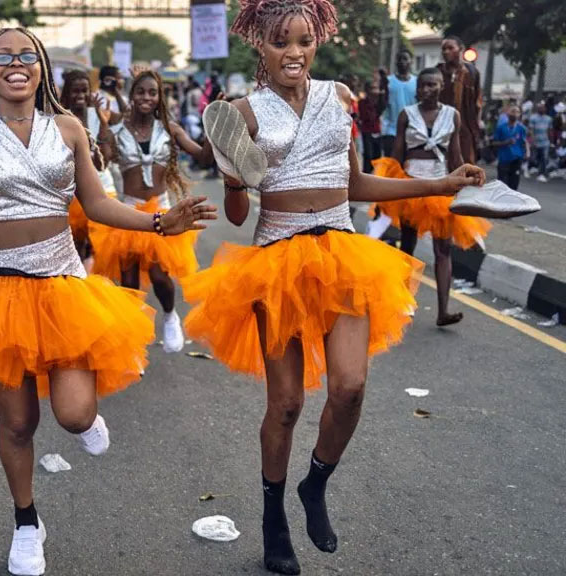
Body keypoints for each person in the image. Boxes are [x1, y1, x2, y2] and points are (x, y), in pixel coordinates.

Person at [0, 27, 214, 575]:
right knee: (17, 426)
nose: (16, 64)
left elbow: (98, 204)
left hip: (61, 288)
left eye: (26, 56)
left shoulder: (69, 129)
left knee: (75, 412)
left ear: (41, 69)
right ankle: (27, 524)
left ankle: (86, 425)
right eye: (3, 57)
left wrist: (160, 222)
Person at [186, 1, 485, 573]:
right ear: (262, 49)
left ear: (316, 42)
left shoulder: (338, 98)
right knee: (288, 403)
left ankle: (314, 483)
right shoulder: (241, 113)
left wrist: (441, 183)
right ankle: (274, 515)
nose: (293, 53)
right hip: (277, 262)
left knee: (350, 389)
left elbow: (355, 184)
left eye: (303, 40)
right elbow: (235, 210)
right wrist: (231, 176)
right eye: (280, 43)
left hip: (342, 253)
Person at [89, 69, 214, 353]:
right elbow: (101, 164)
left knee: (159, 276)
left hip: (163, 211)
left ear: (159, 97)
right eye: (141, 92)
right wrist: (103, 126)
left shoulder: (170, 130)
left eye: (152, 93)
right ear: (132, 96)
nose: (146, 97)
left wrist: (213, 124)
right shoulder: (118, 130)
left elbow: (203, 157)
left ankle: (170, 315)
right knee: (130, 283)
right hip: (130, 212)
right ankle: (132, 343)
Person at [373, 67, 490, 326]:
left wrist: (465, 181)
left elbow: (455, 156)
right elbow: (397, 156)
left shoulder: (452, 115)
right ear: (418, 89)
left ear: (441, 87)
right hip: (412, 187)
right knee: (408, 244)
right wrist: (387, 193)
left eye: (432, 85)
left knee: (443, 249)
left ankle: (443, 311)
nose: (427, 90)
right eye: (423, 86)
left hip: (441, 188)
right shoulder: (407, 114)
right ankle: (402, 303)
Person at [59, 69, 117, 262]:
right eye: (75, 91)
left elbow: (103, 163)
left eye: (85, 90)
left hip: (101, 190)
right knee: (75, 247)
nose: (81, 96)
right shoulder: (58, 119)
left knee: (95, 247)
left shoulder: (97, 116)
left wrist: (102, 124)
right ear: (66, 93)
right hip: (70, 193)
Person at [437, 36, 483, 165]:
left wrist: (476, 127)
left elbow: (478, 102)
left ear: (461, 49)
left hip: (465, 127)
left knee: (466, 164)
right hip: (441, 127)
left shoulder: (472, 72)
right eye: (444, 49)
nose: (446, 52)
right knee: (441, 165)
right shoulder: (438, 72)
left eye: (450, 48)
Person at [381, 50, 417, 157]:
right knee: (392, 165)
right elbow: (382, 105)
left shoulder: (417, 81)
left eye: (405, 59)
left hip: (412, 130)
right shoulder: (388, 81)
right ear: (396, 62)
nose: (402, 62)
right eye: (399, 59)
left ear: (411, 62)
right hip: (391, 131)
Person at [492, 104, 528, 190]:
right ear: (507, 113)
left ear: (519, 114)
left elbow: (524, 142)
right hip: (504, 159)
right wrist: (505, 142)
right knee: (502, 185)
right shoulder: (501, 127)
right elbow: (494, 143)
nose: (515, 114)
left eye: (517, 112)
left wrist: (527, 152)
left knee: (514, 184)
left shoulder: (522, 128)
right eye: (513, 111)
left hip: (517, 159)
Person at [527, 102, 552, 182]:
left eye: (543, 108)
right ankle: (528, 168)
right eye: (540, 108)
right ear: (538, 109)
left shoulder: (548, 118)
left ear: (545, 109)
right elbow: (531, 130)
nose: (542, 109)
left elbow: (549, 130)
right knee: (533, 157)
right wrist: (533, 141)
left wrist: (551, 141)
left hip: (545, 142)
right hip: (536, 141)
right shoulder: (533, 118)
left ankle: (541, 174)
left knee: (544, 158)